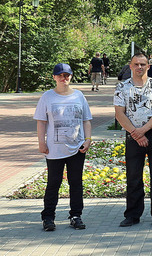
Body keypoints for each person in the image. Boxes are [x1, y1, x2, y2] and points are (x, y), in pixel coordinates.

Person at [34, 63, 93, 232]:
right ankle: (48, 217)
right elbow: (41, 121)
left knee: (76, 183)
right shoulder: (47, 97)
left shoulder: (79, 96)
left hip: (77, 148)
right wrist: (41, 142)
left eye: (66, 75)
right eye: (60, 75)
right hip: (54, 149)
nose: (63, 78)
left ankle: (76, 216)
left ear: (71, 77)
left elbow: (86, 120)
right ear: (54, 77)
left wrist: (88, 139)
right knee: (53, 182)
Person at [113, 53, 152, 227]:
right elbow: (119, 113)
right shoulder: (122, 87)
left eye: (143, 64)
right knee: (133, 175)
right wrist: (135, 133)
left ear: (148, 66)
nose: (139, 67)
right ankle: (132, 215)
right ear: (130, 66)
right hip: (133, 135)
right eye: (136, 64)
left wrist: (143, 131)